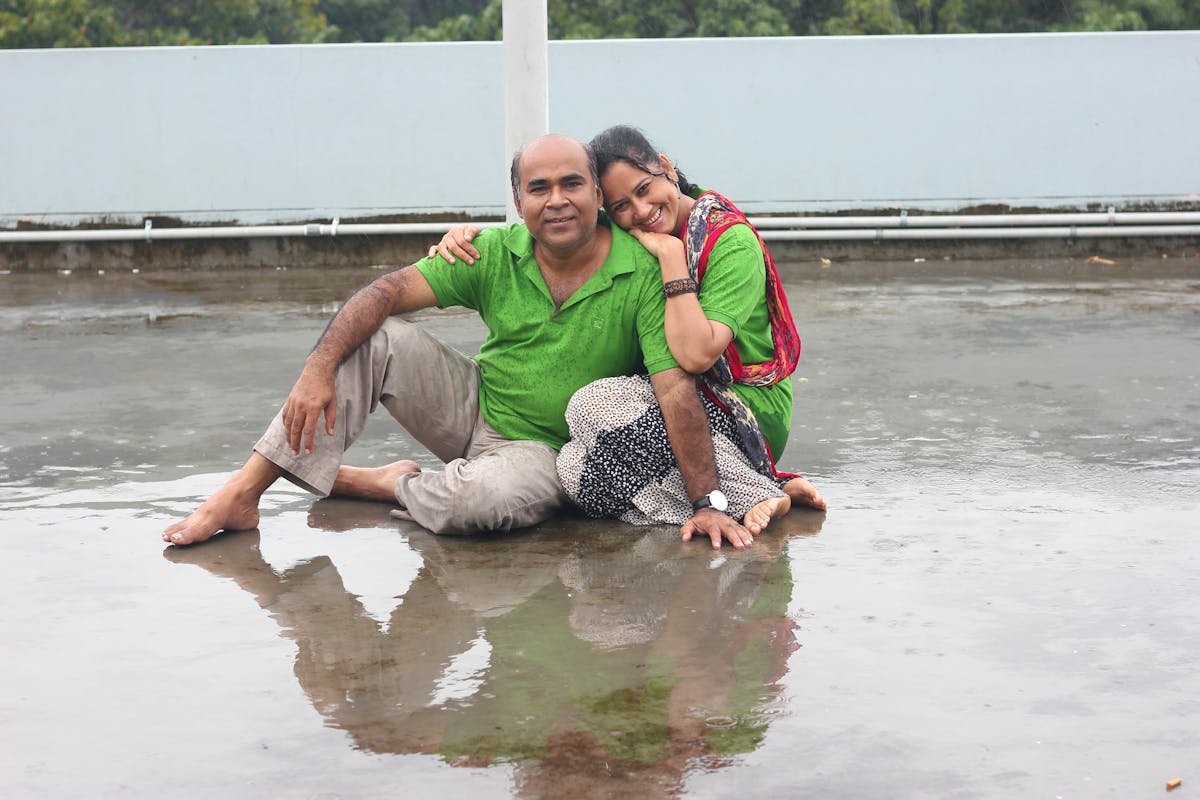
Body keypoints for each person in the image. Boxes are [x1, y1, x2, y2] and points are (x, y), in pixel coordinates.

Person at [164, 134, 756, 550]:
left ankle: (389, 482)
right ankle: (241, 495)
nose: (557, 200)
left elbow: (674, 385)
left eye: (573, 183)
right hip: (473, 405)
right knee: (376, 337)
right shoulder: (493, 250)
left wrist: (708, 501)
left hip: (543, 449)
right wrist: (317, 368)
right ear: (518, 201)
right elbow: (387, 291)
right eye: (538, 187)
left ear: (598, 197)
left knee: (474, 508)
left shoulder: (641, 270)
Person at [432, 125, 825, 530]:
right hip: (670, 403)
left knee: (594, 405)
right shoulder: (630, 230)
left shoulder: (728, 242)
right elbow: (562, 221)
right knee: (575, 472)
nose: (639, 212)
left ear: (667, 169)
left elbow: (696, 355)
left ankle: (760, 492)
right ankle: (751, 490)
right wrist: (469, 234)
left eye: (643, 189)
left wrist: (672, 261)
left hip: (745, 407)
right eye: (620, 205)